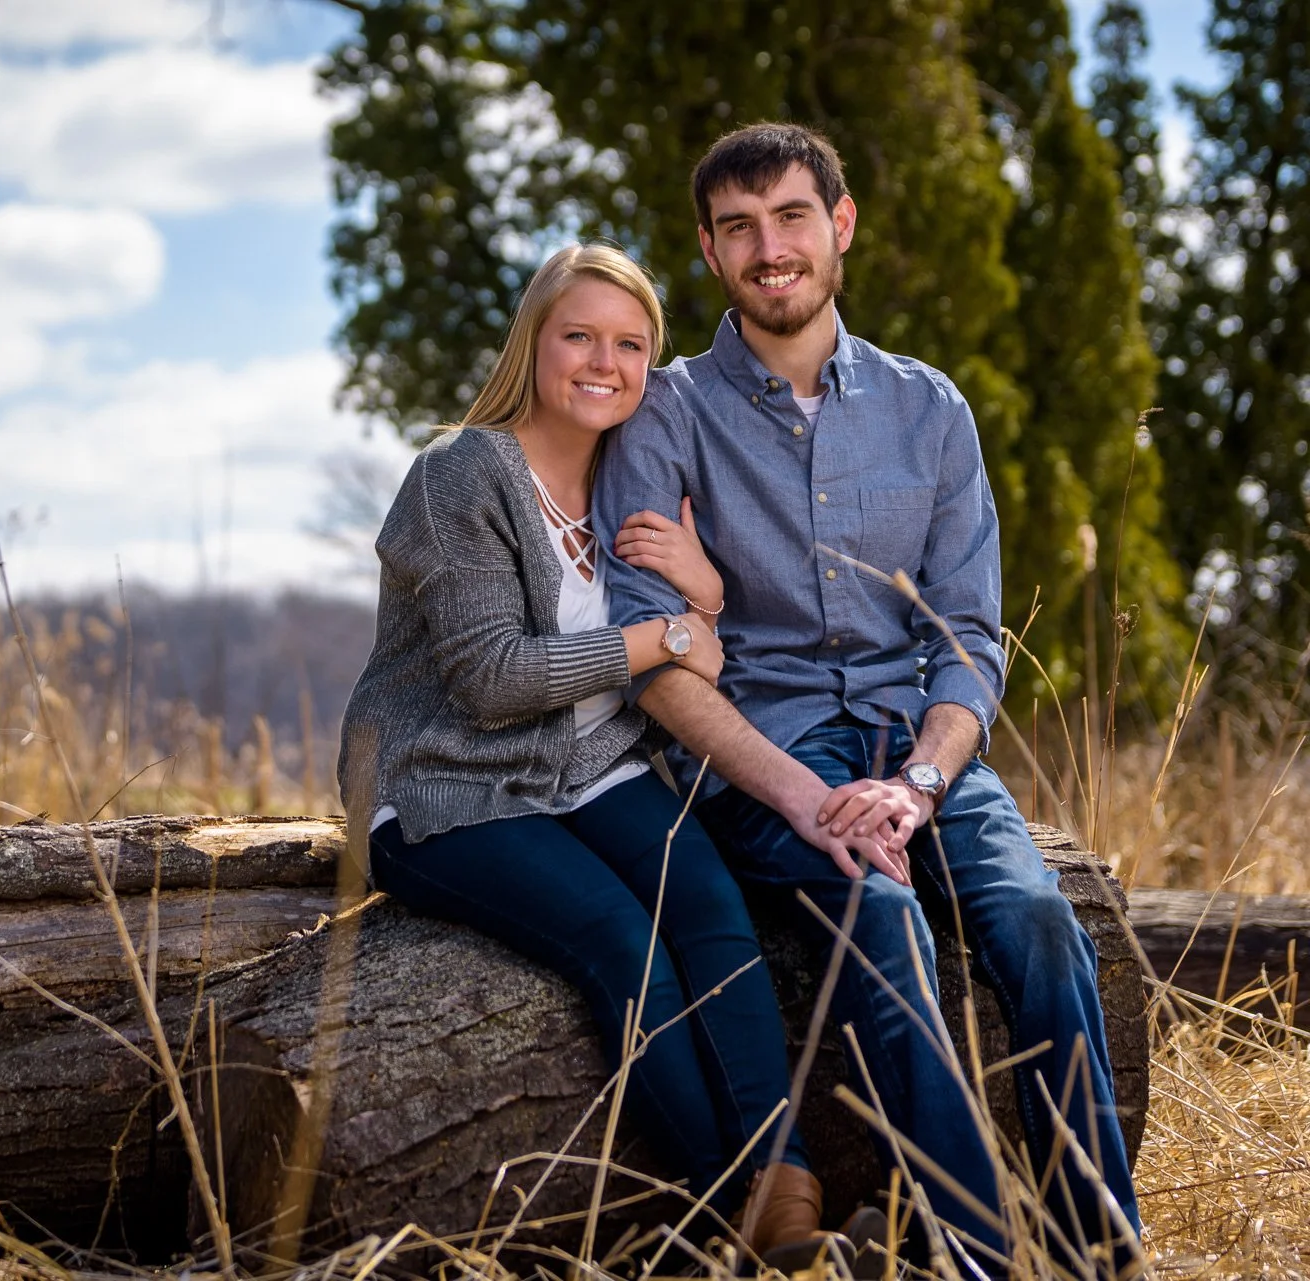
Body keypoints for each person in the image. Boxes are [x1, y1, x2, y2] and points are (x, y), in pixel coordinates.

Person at [594, 122, 1143, 1273]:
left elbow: (968, 641)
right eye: (739, 228)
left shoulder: (928, 409)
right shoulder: (667, 415)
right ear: (708, 252)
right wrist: (804, 798)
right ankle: (981, 1255)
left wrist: (921, 784)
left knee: (1041, 924)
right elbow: (650, 664)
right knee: (881, 916)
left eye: (792, 217)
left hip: (920, 752)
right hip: (768, 753)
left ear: (839, 227)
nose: (770, 248)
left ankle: (1102, 1252)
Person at [338, 243, 844, 1268]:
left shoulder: (636, 480)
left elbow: (715, 650)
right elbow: (490, 676)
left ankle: (785, 1190)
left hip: (593, 771)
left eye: (631, 343)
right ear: (536, 343)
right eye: (580, 336)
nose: (604, 362)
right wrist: (663, 635)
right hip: (448, 787)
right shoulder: (462, 473)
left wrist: (704, 592)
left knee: (710, 908)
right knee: (621, 940)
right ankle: (733, 1222)